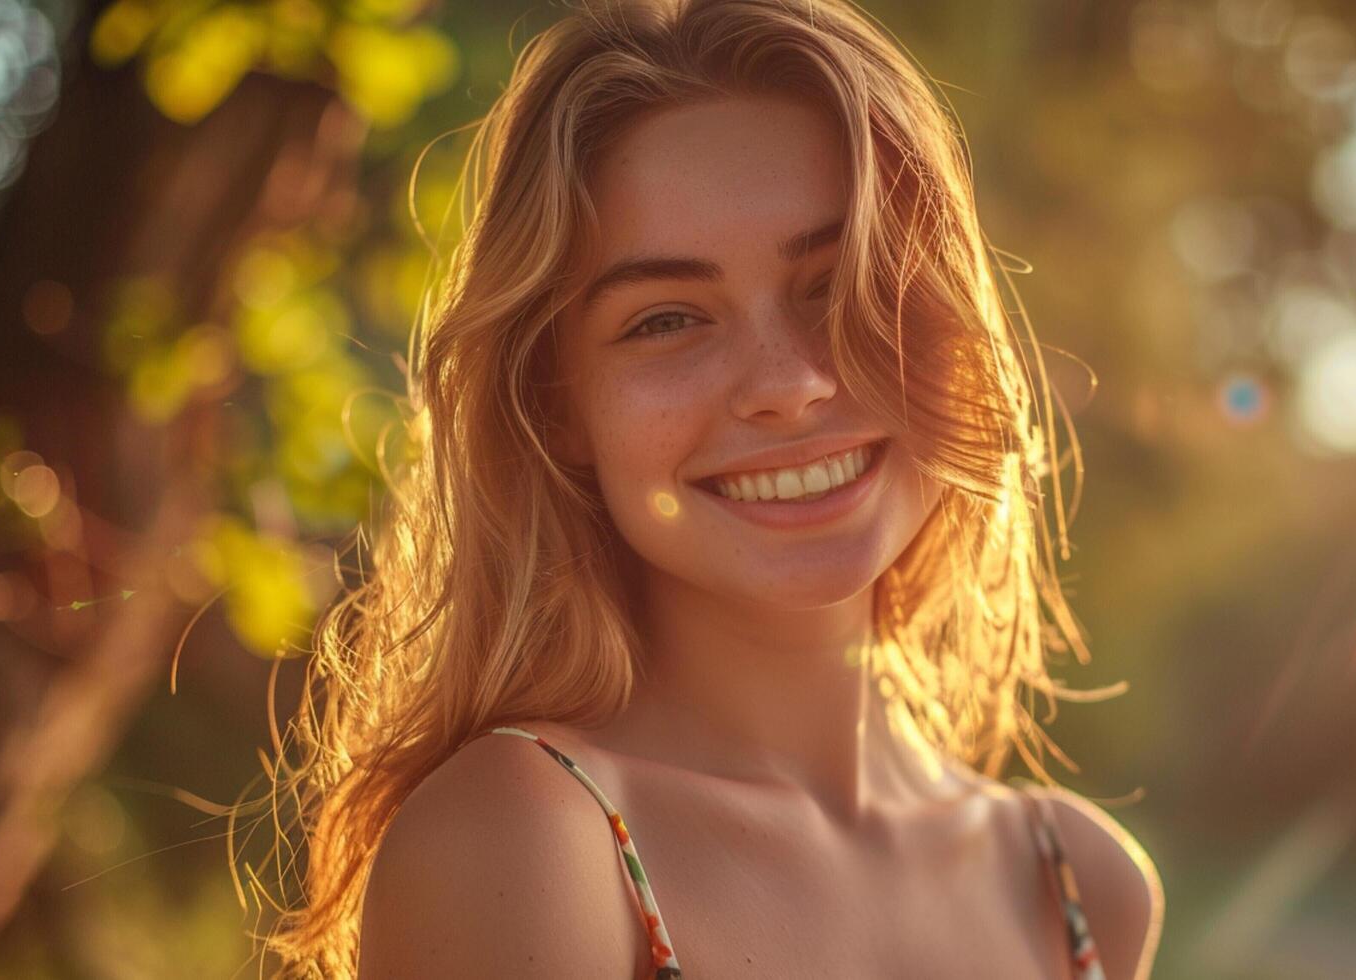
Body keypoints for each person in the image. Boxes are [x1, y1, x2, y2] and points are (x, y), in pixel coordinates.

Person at [258, 0, 1162, 976]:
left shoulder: (1081, 880)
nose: (788, 384)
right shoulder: (532, 841)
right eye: (668, 319)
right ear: (558, 403)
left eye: (840, 282)